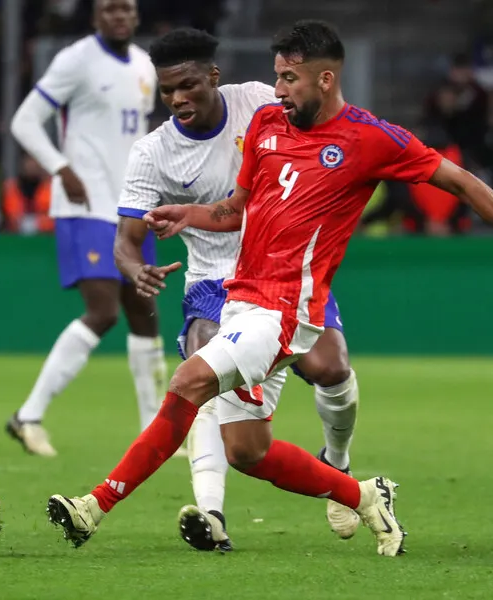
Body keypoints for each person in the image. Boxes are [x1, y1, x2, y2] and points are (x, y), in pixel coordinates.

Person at [46, 20, 493, 557]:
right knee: (247, 452)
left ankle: (94, 506)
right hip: (240, 300)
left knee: (191, 380)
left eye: (289, 78)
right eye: (277, 76)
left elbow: (461, 181)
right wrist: (188, 214)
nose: (278, 90)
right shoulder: (266, 124)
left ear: (325, 79)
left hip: (287, 310)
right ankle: (365, 496)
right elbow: (238, 209)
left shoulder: (371, 138)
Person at [112, 28, 361, 552]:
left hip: (287, 269)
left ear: (213, 77)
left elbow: (321, 123)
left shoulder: (259, 102)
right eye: (167, 90)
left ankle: (337, 465)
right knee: (204, 369)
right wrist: (136, 270)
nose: (178, 98)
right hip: (212, 281)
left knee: (332, 368)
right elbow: (126, 242)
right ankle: (212, 515)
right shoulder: (152, 153)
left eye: (188, 85)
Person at [7, 0, 166, 456]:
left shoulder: (144, 66)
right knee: (104, 311)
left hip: (132, 208)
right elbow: (24, 121)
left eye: (126, 8)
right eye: (109, 9)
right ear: (96, 16)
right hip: (86, 204)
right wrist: (60, 168)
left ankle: (155, 432)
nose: (119, 16)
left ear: (136, 15)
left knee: (145, 314)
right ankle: (28, 416)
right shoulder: (75, 60)